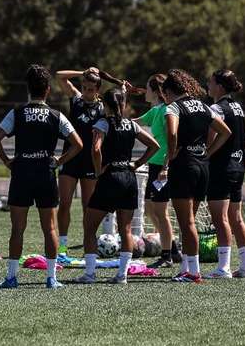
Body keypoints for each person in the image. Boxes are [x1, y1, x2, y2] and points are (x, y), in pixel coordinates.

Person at [0, 64, 83, 289]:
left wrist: (7, 161)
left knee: (17, 228)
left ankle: (11, 278)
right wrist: (59, 162)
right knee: (50, 228)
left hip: (22, 173)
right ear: (48, 91)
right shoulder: (56, 115)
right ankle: (51, 278)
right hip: (45, 174)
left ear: (28, 89)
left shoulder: (17, 113)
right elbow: (78, 144)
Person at [76, 88, 159, 284]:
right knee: (126, 230)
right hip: (128, 178)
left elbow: (96, 149)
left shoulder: (102, 123)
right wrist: (137, 164)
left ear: (105, 105)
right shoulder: (131, 125)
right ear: (123, 105)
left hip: (110, 177)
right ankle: (122, 275)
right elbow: (154, 145)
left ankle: (89, 274)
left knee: (89, 227)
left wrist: (98, 171)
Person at [162, 69, 232, 283]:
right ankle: (187, 267)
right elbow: (226, 132)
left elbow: (172, 133)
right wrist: (207, 153)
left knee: (187, 223)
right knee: (189, 221)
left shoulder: (173, 107)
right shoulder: (203, 106)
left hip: (184, 166)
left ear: (167, 91)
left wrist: (172, 154)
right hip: (203, 167)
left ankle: (193, 272)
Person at [54, 67, 119, 254]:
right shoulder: (76, 99)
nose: (86, 91)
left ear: (97, 90)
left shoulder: (103, 107)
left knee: (88, 208)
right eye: (84, 87)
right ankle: (63, 246)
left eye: (91, 89)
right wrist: (83, 72)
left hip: (91, 161)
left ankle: (87, 245)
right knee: (64, 203)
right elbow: (59, 76)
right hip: (70, 158)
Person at [204, 70, 245, 279]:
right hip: (238, 166)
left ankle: (223, 268)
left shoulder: (216, 108)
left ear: (220, 87)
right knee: (236, 218)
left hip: (221, 168)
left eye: (211, 82)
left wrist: (206, 153)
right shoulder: (238, 107)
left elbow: (213, 136)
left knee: (220, 217)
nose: (208, 85)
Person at [134, 74, 181, 268]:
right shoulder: (156, 110)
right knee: (151, 207)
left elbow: (173, 137)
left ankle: (167, 255)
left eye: (147, 87)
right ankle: (173, 249)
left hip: (162, 165)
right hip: (154, 165)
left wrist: (166, 166)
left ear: (156, 91)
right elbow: (134, 122)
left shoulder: (164, 110)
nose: (145, 91)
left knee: (162, 212)